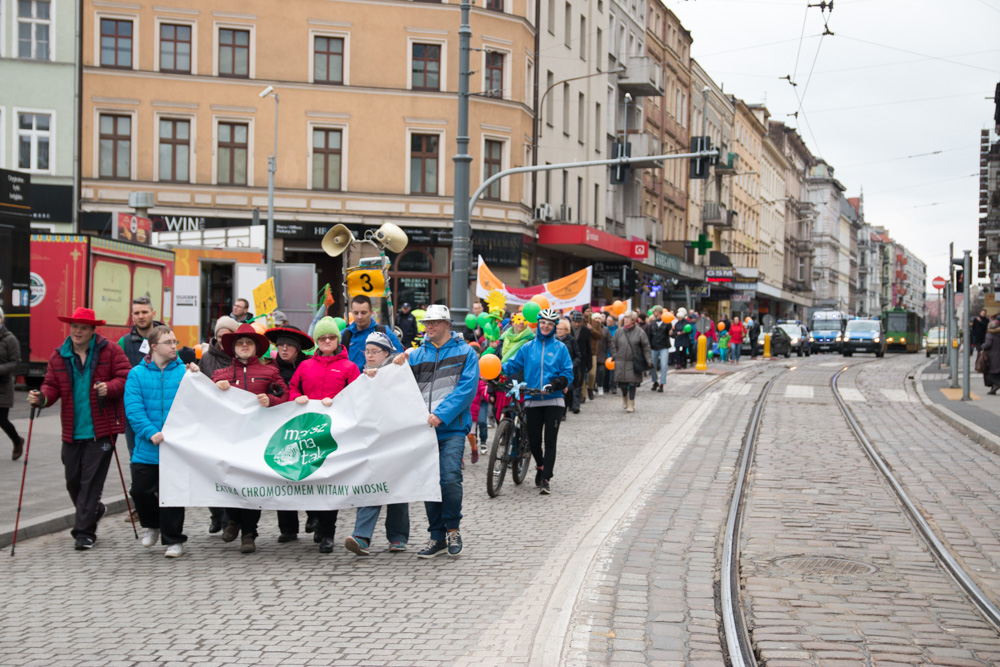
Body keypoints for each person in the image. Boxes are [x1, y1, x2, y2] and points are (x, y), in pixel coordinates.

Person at [28, 307, 132, 550]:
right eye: (74, 326)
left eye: (83, 327)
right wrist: (40, 398)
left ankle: (84, 532)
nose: (77, 331)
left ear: (93, 330)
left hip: (102, 428)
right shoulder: (59, 356)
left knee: (91, 482)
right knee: (73, 480)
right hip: (72, 430)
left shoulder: (111, 351)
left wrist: (110, 387)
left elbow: (126, 376)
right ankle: (95, 510)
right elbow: (51, 386)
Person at [392, 305, 479, 558]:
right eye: (427, 323)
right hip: (424, 430)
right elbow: (398, 383)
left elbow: (467, 389)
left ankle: (452, 528)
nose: (429, 327)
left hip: (451, 428)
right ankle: (436, 537)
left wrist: (441, 415)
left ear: (447, 325)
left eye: (434, 323)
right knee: (430, 483)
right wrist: (388, 367)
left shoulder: (466, 353)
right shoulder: (417, 355)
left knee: (449, 478)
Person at [210, 323, 288, 554]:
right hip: (231, 439)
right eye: (240, 342)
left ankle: (249, 533)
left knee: (253, 486)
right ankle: (233, 519)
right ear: (233, 348)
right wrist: (215, 388)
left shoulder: (270, 372)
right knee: (232, 482)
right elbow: (206, 401)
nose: (244, 346)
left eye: (249, 342)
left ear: (255, 348)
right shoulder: (220, 375)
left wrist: (271, 401)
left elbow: (286, 396)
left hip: (258, 439)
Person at [288, 317, 360, 553]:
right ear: (317, 341)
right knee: (309, 479)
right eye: (322, 338)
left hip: (335, 434)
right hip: (307, 431)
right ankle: (315, 519)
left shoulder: (349, 367)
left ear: (337, 340)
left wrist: (338, 401)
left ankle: (328, 532)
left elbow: (356, 396)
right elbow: (292, 388)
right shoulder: (305, 366)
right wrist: (296, 398)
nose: (327, 341)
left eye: (331, 337)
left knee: (329, 482)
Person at [123, 326, 187, 558]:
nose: (173, 346)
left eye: (174, 341)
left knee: (172, 494)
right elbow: (134, 409)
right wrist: (150, 432)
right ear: (154, 347)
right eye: (168, 342)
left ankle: (174, 540)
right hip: (147, 446)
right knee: (140, 491)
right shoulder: (137, 374)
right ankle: (152, 525)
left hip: (174, 447)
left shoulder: (184, 373)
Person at [344, 331, 409, 556]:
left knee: (397, 487)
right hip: (371, 439)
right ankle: (361, 536)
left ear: (387, 353)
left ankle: (398, 536)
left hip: (395, 437)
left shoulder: (399, 371)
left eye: (375, 352)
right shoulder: (363, 376)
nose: (369, 356)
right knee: (370, 484)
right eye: (367, 351)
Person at [501, 309, 574, 495]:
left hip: (554, 400)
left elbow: (568, 373)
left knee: (550, 441)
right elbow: (511, 365)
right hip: (533, 399)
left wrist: (554, 384)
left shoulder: (560, 348)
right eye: (543, 322)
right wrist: (496, 372)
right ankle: (540, 466)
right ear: (538, 324)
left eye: (550, 323)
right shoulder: (527, 347)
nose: (546, 326)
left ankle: (546, 479)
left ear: (554, 327)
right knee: (533, 442)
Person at [264, 324, 316, 543]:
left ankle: (315, 516)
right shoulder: (270, 368)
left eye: (289, 346)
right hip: (280, 428)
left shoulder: (309, 365)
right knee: (283, 473)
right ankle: (287, 527)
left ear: (297, 349)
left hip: (307, 425)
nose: (284, 349)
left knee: (310, 472)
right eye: (280, 345)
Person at [196, 315, 239, 533]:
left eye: (228, 336)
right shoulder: (207, 358)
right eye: (220, 336)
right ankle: (216, 515)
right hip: (213, 421)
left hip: (234, 423)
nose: (223, 341)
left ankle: (229, 518)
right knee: (212, 471)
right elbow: (201, 385)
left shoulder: (240, 355)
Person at [343, 295, 403, 372]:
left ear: (371, 312)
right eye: (356, 313)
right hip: (352, 383)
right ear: (351, 312)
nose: (359, 316)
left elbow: (399, 358)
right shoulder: (345, 335)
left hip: (379, 381)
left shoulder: (384, 332)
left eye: (363, 312)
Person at [610, 311, 653, 414]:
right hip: (620, 361)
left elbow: (646, 346)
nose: (626, 320)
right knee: (622, 385)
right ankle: (624, 396)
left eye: (628, 318)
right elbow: (613, 344)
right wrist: (615, 354)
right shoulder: (619, 331)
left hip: (632, 361)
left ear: (633, 320)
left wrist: (649, 360)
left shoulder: (639, 332)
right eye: (625, 318)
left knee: (632, 383)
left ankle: (631, 403)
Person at [0, 307, 24, 460]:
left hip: (3, 386)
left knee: (2, 420)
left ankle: (17, 440)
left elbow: (15, 363)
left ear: (1, 319)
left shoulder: (10, 339)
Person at [555, 319, 582, 415]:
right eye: (558, 329)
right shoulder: (554, 340)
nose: (559, 331)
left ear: (567, 330)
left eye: (561, 329)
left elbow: (578, 355)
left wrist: (573, 364)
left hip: (569, 369)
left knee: (568, 390)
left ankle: (565, 411)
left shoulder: (571, 340)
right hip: (556, 369)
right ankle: (561, 412)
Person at [570, 311, 592, 405]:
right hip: (570, 359)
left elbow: (588, 347)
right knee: (571, 381)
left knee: (579, 381)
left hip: (582, 359)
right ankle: (571, 402)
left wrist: (589, 362)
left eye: (578, 322)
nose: (577, 324)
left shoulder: (586, 331)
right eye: (575, 322)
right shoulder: (568, 330)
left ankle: (576, 403)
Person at [648, 306, 670, 393]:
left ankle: (662, 383)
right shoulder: (652, 324)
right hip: (654, 347)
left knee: (664, 365)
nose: (653, 313)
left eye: (655, 311)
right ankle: (655, 381)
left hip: (664, 347)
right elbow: (649, 336)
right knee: (652, 365)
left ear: (659, 312)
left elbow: (672, 334)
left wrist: (672, 333)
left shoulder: (667, 323)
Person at [593, 313, 612, 396]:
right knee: (592, 373)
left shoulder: (605, 330)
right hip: (592, 355)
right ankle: (593, 387)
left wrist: (612, 353)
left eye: (599, 318)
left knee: (601, 371)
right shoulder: (590, 328)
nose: (597, 320)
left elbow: (610, 342)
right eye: (596, 318)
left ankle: (600, 386)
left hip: (602, 355)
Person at [981, 316, 1000, 394]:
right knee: (997, 371)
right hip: (998, 355)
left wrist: (983, 346)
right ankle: (993, 388)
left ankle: (996, 385)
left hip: (992, 356)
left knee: (990, 372)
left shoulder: (989, 334)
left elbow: (988, 344)